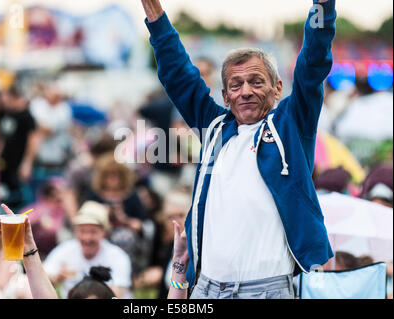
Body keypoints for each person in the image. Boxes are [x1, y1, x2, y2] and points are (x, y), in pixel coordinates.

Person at [141, 0, 336, 299]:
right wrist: (154, 13)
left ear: (277, 88)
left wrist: (323, 4)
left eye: (257, 81)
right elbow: (178, 74)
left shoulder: (292, 125)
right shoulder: (214, 127)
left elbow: (313, 61)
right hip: (205, 288)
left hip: (268, 289)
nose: (245, 91)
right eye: (236, 84)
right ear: (225, 95)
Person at [43, 201, 132, 298]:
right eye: (82, 231)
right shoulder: (65, 249)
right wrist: (56, 277)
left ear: (104, 232)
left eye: (93, 232)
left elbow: (118, 292)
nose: (87, 238)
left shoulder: (117, 256)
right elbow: (42, 278)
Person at [0, 86, 39, 210]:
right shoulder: (6, 115)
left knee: (21, 197)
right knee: (6, 195)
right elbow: (2, 137)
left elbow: (33, 140)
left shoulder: (27, 116)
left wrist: (27, 163)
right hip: (5, 164)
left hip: (19, 163)